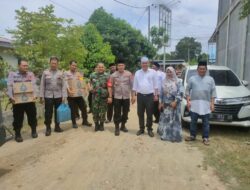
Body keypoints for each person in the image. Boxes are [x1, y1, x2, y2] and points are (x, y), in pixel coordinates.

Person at [185, 61, 216, 145]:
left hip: (206, 105)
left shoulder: (210, 79)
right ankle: (192, 136)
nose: (202, 70)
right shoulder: (192, 79)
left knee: (206, 123)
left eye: (203, 69)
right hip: (194, 104)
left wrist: (212, 104)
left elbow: (213, 92)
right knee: (193, 121)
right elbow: (187, 90)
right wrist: (188, 101)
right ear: (197, 69)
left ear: (206, 70)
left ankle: (205, 138)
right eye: (200, 69)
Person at [7, 58, 38, 142]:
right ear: (19, 66)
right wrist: (11, 97)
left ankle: (34, 131)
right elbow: (9, 86)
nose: (26, 67)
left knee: (32, 116)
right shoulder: (12, 74)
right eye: (24, 65)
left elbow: (34, 85)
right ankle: (18, 134)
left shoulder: (30, 74)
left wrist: (35, 95)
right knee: (18, 118)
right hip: (17, 101)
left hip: (30, 101)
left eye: (27, 65)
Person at [40, 56, 67, 136]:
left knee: (58, 112)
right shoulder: (45, 72)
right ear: (50, 63)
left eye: (55, 63)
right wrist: (41, 96)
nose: (54, 65)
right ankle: (48, 128)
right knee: (48, 112)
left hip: (58, 95)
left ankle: (57, 126)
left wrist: (64, 96)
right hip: (48, 96)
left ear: (57, 64)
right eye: (52, 63)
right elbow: (42, 85)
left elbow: (64, 85)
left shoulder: (61, 73)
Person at [132, 56, 158, 137]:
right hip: (140, 96)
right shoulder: (137, 72)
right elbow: (134, 86)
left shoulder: (153, 72)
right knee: (140, 113)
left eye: (146, 63)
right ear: (141, 64)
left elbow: (156, 85)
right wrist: (133, 96)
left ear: (148, 63)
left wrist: (156, 95)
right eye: (143, 63)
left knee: (149, 113)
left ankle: (149, 129)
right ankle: (141, 128)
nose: (144, 64)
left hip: (150, 96)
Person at [157, 67, 184, 142]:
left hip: (175, 104)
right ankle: (165, 135)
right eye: (167, 72)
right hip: (166, 104)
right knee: (166, 119)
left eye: (170, 72)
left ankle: (174, 136)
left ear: (173, 72)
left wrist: (175, 101)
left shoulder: (178, 81)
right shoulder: (164, 81)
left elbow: (181, 92)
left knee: (174, 120)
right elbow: (161, 93)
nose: (169, 73)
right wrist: (160, 102)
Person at [64, 60, 92, 128]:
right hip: (71, 95)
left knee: (84, 107)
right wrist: (68, 90)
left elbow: (82, 81)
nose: (74, 67)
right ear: (70, 65)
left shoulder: (79, 74)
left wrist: (85, 89)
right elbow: (65, 83)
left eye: (75, 66)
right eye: (73, 65)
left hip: (79, 95)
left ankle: (85, 121)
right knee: (73, 110)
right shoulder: (66, 73)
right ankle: (74, 123)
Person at [110, 59, 133, 136]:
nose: (120, 67)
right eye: (119, 65)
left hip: (126, 97)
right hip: (117, 97)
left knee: (126, 112)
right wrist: (110, 96)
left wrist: (133, 96)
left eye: (122, 65)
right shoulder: (113, 75)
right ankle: (117, 127)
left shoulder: (129, 74)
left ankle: (123, 125)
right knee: (117, 112)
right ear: (117, 66)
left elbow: (132, 86)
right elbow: (110, 86)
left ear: (124, 66)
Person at [90, 63, 112, 131]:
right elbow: (89, 82)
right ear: (97, 67)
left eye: (102, 67)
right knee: (95, 111)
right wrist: (89, 87)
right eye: (99, 67)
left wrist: (110, 96)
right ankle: (96, 124)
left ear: (104, 68)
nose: (100, 68)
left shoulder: (107, 76)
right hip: (95, 96)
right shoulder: (92, 75)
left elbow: (109, 86)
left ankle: (101, 124)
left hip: (103, 96)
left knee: (103, 111)